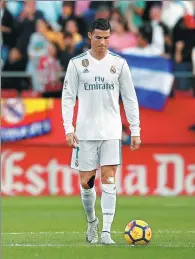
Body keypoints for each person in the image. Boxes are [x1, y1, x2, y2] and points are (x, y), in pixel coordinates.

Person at [61, 18, 141, 245]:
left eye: (106, 38)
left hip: (111, 131)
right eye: (98, 37)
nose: (103, 42)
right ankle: (92, 221)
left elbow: (130, 98)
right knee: (86, 183)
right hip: (84, 132)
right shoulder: (77, 64)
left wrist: (135, 129)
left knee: (108, 178)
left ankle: (106, 232)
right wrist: (69, 128)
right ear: (89, 36)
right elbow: (68, 99)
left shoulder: (119, 64)